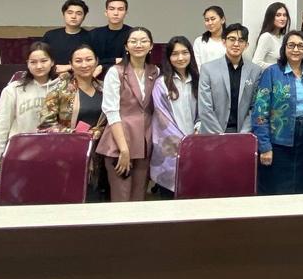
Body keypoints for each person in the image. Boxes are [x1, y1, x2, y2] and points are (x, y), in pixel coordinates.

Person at [95, 27, 159, 202]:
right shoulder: (115, 72)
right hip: (119, 140)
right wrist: (123, 149)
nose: (138, 45)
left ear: (151, 46)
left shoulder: (155, 71)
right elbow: (111, 111)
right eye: (133, 41)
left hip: (145, 142)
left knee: (139, 197)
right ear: (126, 46)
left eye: (144, 41)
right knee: (121, 198)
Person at [38, 43, 108, 201]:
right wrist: (76, 135)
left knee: (97, 200)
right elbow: (45, 125)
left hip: (100, 154)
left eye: (89, 59)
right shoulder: (59, 90)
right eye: (78, 61)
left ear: (96, 61)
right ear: (70, 64)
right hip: (66, 155)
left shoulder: (104, 89)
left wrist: (99, 132)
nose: (84, 64)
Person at [252, 31, 303, 195]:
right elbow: (260, 111)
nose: (296, 49)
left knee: (301, 187)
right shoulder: (272, 73)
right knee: (276, 188)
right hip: (278, 140)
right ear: (284, 49)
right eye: (291, 45)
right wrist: (265, 146)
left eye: (300, 46)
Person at [0, 41, 54, 181]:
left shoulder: (62, 88)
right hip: (19, 155)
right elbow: (1, 127)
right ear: (27, 64)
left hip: (52, 156)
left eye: (44, 61)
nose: (39, 66)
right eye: (33, 62)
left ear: (52, 62)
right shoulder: (13, 89)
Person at [151, 36, 200, 199]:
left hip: (195, 144)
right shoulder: (161, 84)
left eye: (185, 52)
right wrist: (183, 142)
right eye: (175, 54)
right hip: (170, 147)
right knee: (170, 199)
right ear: (168, 58)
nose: (180, 58)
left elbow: (204, 110)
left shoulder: (198, 81)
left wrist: (197, 131)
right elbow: (162, 118)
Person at [197, 23, 263, 134]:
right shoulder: (208, 69)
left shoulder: (256, 71)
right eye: (232, 39)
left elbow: (255, 107)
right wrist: (221, 136)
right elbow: (205, 108)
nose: (236, 44)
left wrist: (242, 134)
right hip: (213, 133)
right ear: (224, 42)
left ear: (246, 45)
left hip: (242, 133)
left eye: (241, 40)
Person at [42, 0, 92, 76]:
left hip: (80, 77)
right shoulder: (50, 35)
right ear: (64, 14)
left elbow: (95, 62)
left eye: (78, 13)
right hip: (52, 76)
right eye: (70, 13)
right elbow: (41, 58)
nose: (74, 16)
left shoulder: (91, 37)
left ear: (84, 17)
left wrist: (69, 67)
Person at [88, 0, 131, 74]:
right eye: (112, 9)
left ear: (126, 13)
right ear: (106, 12)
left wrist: (102, 66)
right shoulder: (94, 34)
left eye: (120, 9)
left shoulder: (132, 34)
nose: (116, 13)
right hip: (96, 75)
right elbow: (89, 60)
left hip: (125, 75)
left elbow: (131, 61)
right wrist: (114, 60)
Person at [250, 1, 289, 68]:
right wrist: (278, 68)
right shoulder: (266, 37)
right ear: (271, 17)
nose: (282, 18)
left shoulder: (284, 37)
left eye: (284, 15)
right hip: (271, 74)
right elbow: (256, 62)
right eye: (278, 15)